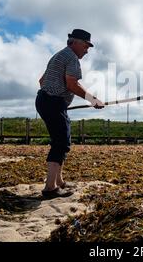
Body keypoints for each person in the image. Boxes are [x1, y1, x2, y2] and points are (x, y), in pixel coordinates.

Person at [36, 29, 104, 199]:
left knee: (62, 141)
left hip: (46, 100)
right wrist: (92, 99)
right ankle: (50, 188)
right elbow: (72, 84)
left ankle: (59, 182)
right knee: (60, 143)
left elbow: (42, 81)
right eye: (86, 46)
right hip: (53, 102)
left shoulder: (59, 55)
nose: (87, 50)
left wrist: (56, 99)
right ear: (76, 42)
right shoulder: (71, 58)